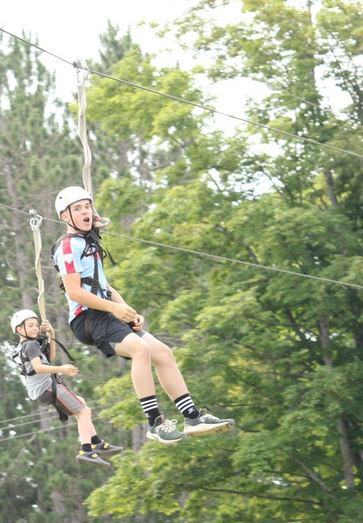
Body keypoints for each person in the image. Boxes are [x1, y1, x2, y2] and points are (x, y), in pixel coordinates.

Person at [52, 186, 236, 444]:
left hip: (105, 311)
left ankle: (192, 416)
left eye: (87, 206)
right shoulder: (68, 246)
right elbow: (74, 292)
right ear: (65, 216)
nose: (85, 212)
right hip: (88, 318)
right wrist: (115, 309)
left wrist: (126, 310)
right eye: (77, 208)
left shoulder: (89, 242)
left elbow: (103, 285)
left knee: (162, 352)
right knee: (141, 350)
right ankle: (154, 422)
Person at [10, 308, 124, 467]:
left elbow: (50, 357)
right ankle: (87, 450)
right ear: (19, 329)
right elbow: (38, 367)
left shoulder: (24, 346)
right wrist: (62, 369)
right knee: (83, 411)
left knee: (82, 403)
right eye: (31, 325)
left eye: (36, 325)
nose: (35, 328)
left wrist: (52, 335)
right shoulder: (30, 345)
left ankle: (95, 442)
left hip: (39, 392)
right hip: (47, 388)